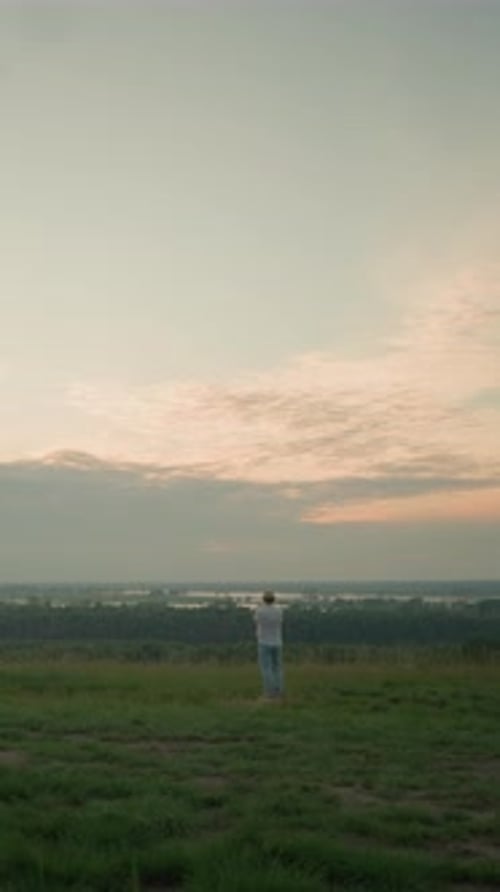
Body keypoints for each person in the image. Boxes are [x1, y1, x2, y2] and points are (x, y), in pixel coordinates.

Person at [254, 590, 284, 700]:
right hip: (277, 641)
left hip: (264, 641)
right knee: (277, 668)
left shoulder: (260, 611)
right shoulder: (278, 610)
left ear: (263, 599)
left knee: (266, 669)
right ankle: (279, 691)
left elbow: (257, 621)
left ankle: (269, 692)